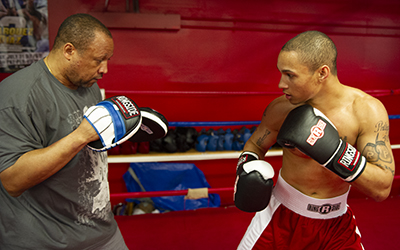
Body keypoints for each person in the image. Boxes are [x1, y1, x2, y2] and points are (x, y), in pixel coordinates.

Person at [235, 31, 395, 249]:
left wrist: (336, 153)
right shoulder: (281, 109)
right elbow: (255, 144)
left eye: (290, 75)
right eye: (281, 74)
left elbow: (382, 188)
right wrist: (245, 167)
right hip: (278, 218)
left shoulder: (366, 111)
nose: (281, 84)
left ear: (322, 73)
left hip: (336, 227)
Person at [0, 14, 129, 249]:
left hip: (102, 232)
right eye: (98, 60)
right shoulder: (18, 96)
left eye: (108, 59)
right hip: (47, 240)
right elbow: (12, 180)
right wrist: (81, 135)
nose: (105, 69)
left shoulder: (87, 83)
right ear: (69, 51)